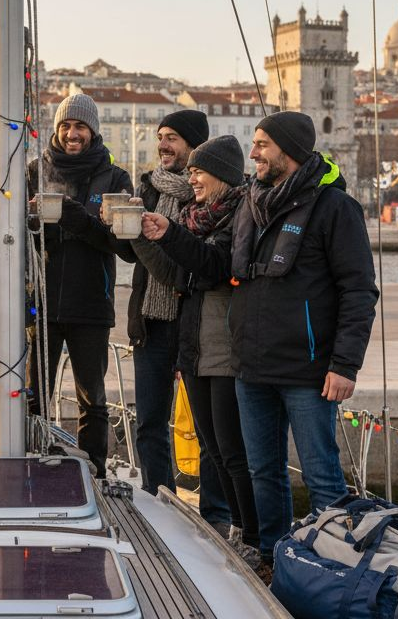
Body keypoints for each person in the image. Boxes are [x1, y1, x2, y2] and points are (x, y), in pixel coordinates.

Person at [228, 111, 378, 568]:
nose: (252, 153)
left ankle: (331, 566)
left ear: (288, 151)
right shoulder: (251, 202)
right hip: (252, 366)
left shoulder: (335, 208)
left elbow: (359, 290)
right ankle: (276, 556)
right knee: (263, 472)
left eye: (262, 145)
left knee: (322, 476)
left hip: (309, 371)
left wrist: (344, 364)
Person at [141, 135, 262, 571]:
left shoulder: (240, 215)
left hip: (225, 349)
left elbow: (214, 266)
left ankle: (252, 535)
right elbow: (184, 269)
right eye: (190, 171)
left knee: (231, 451)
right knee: (212, 442)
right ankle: (238, 530)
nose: (191, 178)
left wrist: (169, 233)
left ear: (223, 176)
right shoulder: (198, 217)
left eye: (198, 171)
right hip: (194, 347)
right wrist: (157, 236)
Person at [26, 93, 134, 478]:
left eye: (80, 127)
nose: (72, 134)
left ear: (93, 131)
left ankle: (95, 472)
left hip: (91, 302)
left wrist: (75, 218)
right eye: (66, 126)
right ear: (57, 128)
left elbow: (123, 246)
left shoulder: (115, 178)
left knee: (93, 398)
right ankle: (33, 465)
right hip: (41, 303)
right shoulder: (32, 172)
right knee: (35, 397)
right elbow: (17, 238)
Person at [123, 108, 210, 496]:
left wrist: (139, 235)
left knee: (209, 428)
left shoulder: (210, 196)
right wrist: (118, 224)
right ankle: (158, 498)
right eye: (161, 136)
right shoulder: (148, 189)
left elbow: (176, 271)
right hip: (151, 322)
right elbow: (131, 258)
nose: (162, 145)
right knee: (150, 422)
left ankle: (216, 513)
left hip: (195, 321)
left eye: (172, 137)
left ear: (194, 145)